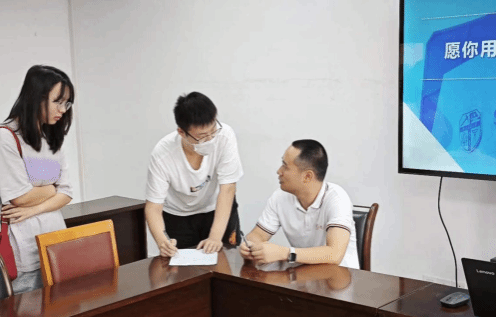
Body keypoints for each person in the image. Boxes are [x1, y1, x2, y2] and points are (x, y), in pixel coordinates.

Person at [0, 65, 75, 293]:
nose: (63, 110)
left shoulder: (52, 138)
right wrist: (52, 189)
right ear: (36, 97)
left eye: (67, 103)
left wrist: (34, 208)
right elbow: (19, 197)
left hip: (55, 242)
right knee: (27, 310)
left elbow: (67, 193)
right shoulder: (5, 138)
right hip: (22, 250)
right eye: (58, 101)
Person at [145, 92, 244, 256]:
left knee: (226, 259)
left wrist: (215, 237)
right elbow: (153, 206)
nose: (210, 139)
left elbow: (228, 188)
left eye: (213, 131)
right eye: (202, 137)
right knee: (182, 266)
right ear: (181, 132)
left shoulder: (225, 135)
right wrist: (162, 241)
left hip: (217, 208)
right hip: (178, 215)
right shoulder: (163, 154)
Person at [240, 139, 359, 268]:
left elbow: (334, 254)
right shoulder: (280, 197)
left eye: (285, 166)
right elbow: (258, 234)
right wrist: (251, 245)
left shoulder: (337, 199)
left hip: (340, 276)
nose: (279, 171)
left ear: (307, 176)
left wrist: (285, 253)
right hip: (304, 275)